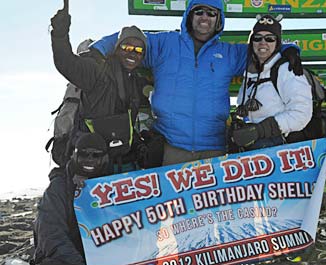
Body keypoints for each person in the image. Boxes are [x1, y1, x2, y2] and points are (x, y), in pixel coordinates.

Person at [89, 0, 303, 166]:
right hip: (171, 147)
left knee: (211, 217)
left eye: (211, 13)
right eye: (199, 11)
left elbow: (263, 47)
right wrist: (95, 51)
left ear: (219, 19)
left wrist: (289, 50)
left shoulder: (228, 53)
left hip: (214, 150)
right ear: (189, 16)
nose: (204, 18)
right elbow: (127, 39)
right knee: (171, 217)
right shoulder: (164, 44)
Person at [50, 5, 148, 173]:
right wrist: (59, 34)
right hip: (91, 161)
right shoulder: (97, 71)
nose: (133, 53)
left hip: (119, 161)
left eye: (139, 50)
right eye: (127, 48)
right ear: (117, 50)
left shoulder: (134, 80)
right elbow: (66, 63)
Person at [230, 14, 312, 151]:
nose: (263, 43)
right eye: (257, 38)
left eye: (269, 39)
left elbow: (301, 113)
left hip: (279, 149)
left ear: (277, 43)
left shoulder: (286, 69)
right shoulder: (250, 73)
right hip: (251, 150)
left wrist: (260, 130)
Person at [32, 133, 109, 265]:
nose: (89, 159)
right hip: (68, 260)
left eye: (96, 155)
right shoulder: (58, 188)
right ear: (73, 155)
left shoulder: (113, 187)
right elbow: (51, 235)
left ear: (105, 158)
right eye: (83, 154)